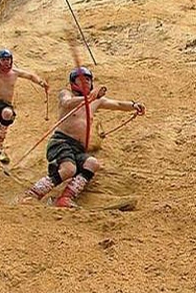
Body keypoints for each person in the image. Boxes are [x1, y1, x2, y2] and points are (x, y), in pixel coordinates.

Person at [23, 66, 145, 207]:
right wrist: (88, 97)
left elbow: (117, 104)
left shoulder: (96, 101)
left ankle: (65, 198)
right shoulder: (66, 93)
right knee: (69, 169)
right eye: (81, 79)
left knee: (92, 163)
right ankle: (32, 194)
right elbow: (66, 102)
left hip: (78, 147)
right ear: (73, 83)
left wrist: (134, 105)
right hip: (61, 141)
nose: (86, 82)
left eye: (88, 79)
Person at [0, 49, 48, 158]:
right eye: (3, 60)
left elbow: (30, 76)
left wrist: (41, 82)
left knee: (7, 114)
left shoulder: (14, 72)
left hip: (6, 104)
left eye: (8, 59)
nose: (6, 62)